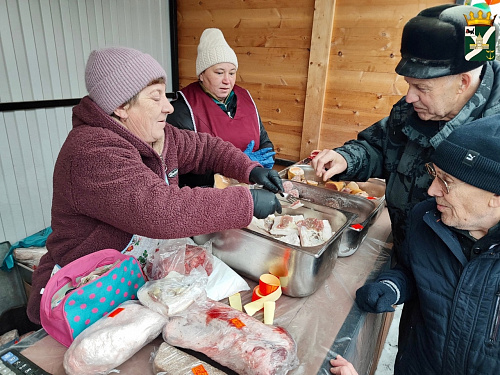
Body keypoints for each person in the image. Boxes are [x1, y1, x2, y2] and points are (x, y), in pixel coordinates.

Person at [27, 47, 283, 325]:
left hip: (133, 281)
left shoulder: (156, 135)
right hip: (83, 293)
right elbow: (160, 210)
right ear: (121, 107)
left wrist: (249, 168)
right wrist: (247, 202)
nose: (168, 107)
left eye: (165, 94)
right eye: (155, 97)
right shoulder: (91, 151)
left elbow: (206, 148)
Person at [311, 4, 500, 256]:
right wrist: (346, 159)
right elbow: (377, 147)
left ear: (462, 82)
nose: (409, 97)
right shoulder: (412, 110)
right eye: (409, 84)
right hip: (403, 263)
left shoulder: (494, 133)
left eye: (422, 88)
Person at [355, 115, 500, 374]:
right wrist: (393, 286)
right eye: (435, 174)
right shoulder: (426, 218)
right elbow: (415, 271)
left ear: (495, 196)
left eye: (447, 182)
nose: (432, 190)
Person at [167, 28, 276, 187]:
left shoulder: (245, 98)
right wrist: (237, 168)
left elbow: (264, 140)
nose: (227, 80)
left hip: (252, 186)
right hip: (208, 197)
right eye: (219, 73)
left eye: (232, 73)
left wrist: (262, 162)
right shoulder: (182, 108)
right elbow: (180, 168)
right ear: (202, 75)